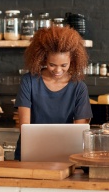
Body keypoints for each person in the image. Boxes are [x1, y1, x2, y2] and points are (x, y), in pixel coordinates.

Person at [14, 26, 93, 161]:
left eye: (64, 65)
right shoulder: (29, 81)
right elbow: (24, 127)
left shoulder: (79, 87)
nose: (57, 70)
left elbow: (80, 133)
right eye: (52, 64)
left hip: (65, 155)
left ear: (72, 61)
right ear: (43, 59)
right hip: (29, 154)